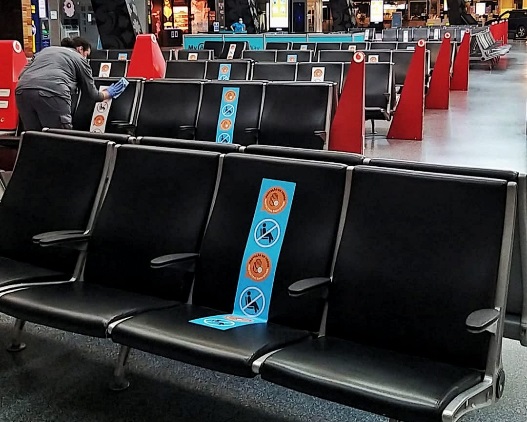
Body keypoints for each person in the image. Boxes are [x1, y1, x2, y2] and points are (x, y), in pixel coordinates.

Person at [15, 37, 127, 131]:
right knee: (61, 138)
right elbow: (93, 95)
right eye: (87, 55)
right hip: (52, 91)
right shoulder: (79, 59)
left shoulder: (45, 51)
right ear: (80, 49)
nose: (86, 58)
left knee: (32, 138)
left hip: (22, 91)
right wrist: (108, 93)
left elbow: (21, 74)